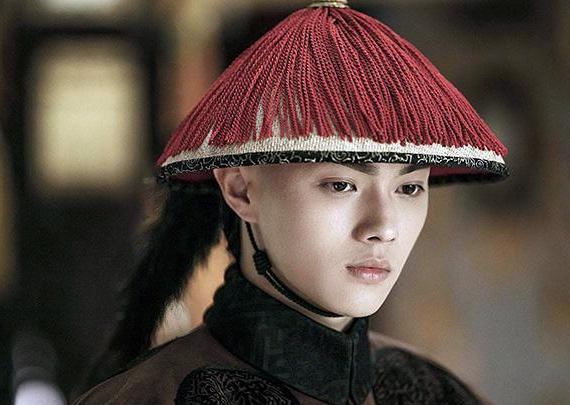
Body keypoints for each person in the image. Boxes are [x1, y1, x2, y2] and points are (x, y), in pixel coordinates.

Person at [73, 0, 509, 403]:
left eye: (409, 188)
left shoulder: (437, 393)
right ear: (241, 190)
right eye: (341, 185)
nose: (384, 227)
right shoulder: (153, 395)